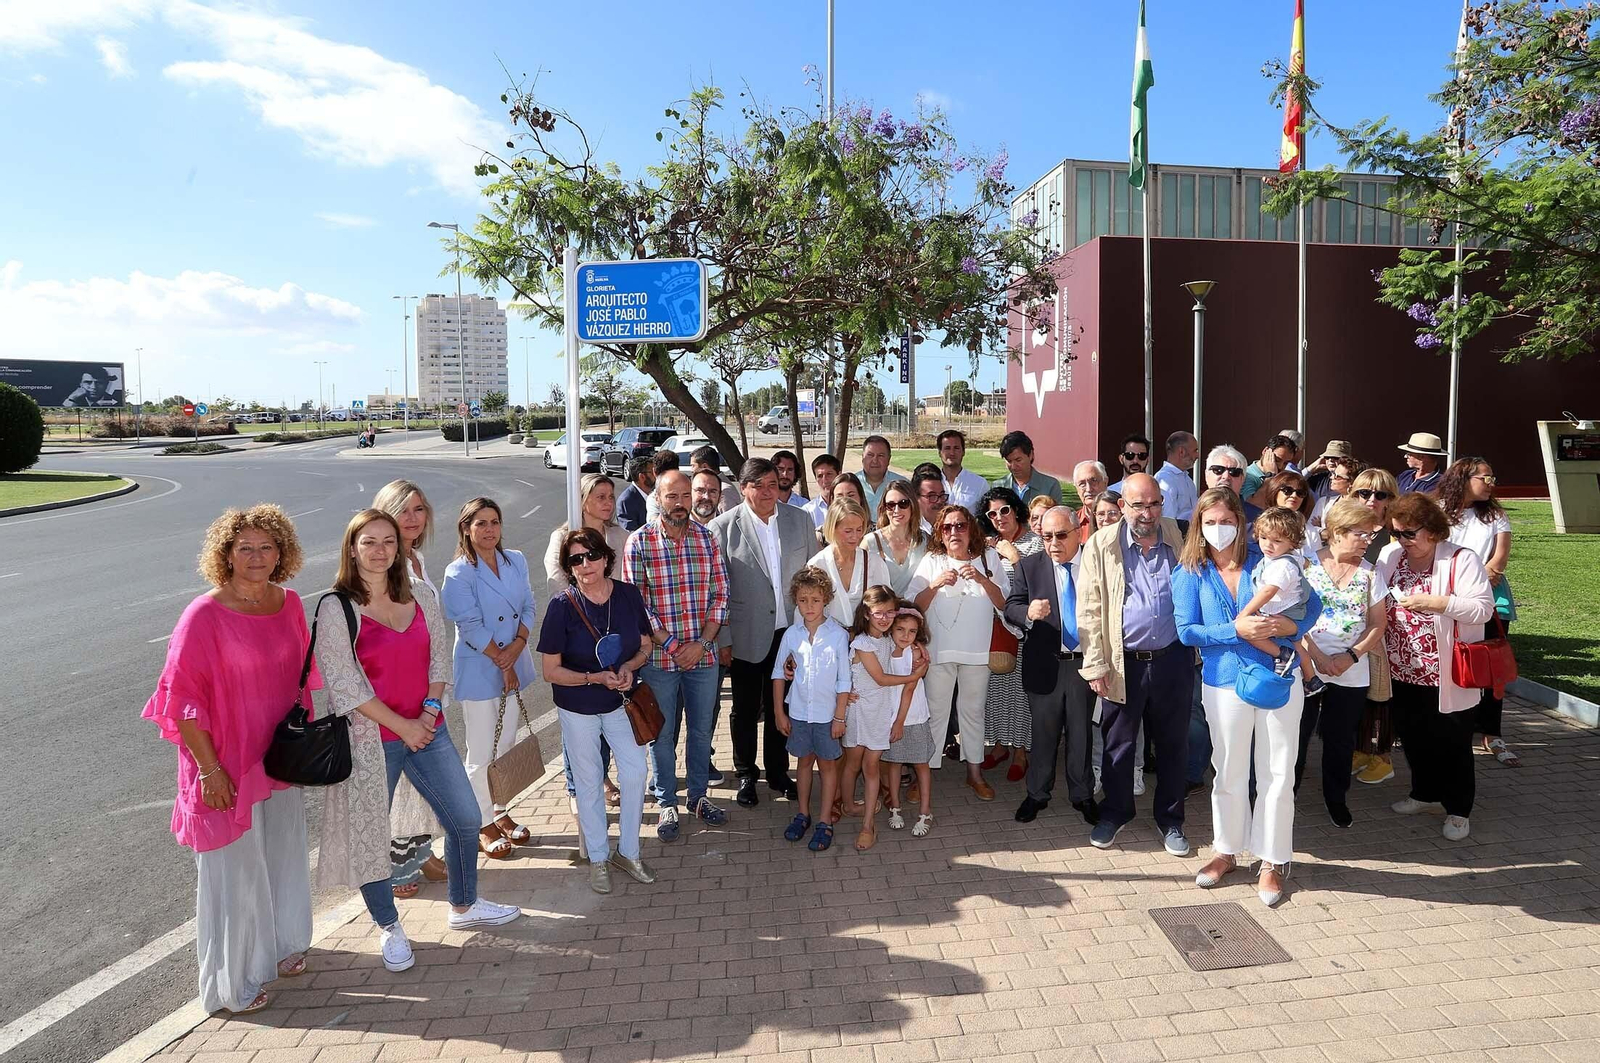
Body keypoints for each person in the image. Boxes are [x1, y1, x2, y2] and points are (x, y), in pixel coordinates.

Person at [315, 510, 522, 976]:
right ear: (352, 548)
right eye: (369, 541)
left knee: (467, 819)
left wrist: (427, 715)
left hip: (428, 730)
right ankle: (389, 928)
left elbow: (439, 664)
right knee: (371, 839)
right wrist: (403, 726)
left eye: (388, 541)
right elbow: (345, 686)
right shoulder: (336, 606)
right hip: (371, 742)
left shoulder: (421, 594)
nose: (381, 550)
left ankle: (465, 905)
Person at [143, 504, 314, 1014]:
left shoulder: (289, 603)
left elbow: (299, 679)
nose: (257, 556)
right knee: (234, 871)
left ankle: (281, 945)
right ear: (226, 555)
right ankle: (232, 981)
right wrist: (209, 770)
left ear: (281, 551)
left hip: (277, 756)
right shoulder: (203, 614)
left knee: (282, 854)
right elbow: (182, 699)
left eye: (267, 546)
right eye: (246, 548)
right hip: (224, 761)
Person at [1174, 488, 1323, 907]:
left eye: (1227, 520)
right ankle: (1226, 850)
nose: (1219, 529)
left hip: (1278, 679)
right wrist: (1234, 631)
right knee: (1228, 769)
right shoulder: (1190, 571)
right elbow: (1187, 631)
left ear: (1242, 522)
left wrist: (1285, 627)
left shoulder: (1269, 558)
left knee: (1278, 771)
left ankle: (1273, 860)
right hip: (1223, 682)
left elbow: (1313, 605)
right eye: (1210, 521)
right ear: (1198, 526)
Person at [1077, 473, 1193, 856]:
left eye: (1154, 503)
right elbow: (1090, 609)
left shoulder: (1179, 537)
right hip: (1121, 662)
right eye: (1138, 505)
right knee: (1118, 744)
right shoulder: (1101, 544)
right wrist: (1095, 665)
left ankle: (1171, 820)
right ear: (1122, 506)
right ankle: (1115, 812)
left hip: (1173, 658)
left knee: (1173, 744)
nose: (1147, 513)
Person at [538, 527, 657, 894]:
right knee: (589, 783)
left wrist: (629, 668)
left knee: (636, 773)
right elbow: (550, 671)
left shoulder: (627, 595)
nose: (585, 564)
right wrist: (593, 677)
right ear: (568, 567)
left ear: (606, 558)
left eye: (591, 555)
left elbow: (645, 644)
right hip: (578, 707)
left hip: (621, 702)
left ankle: (629, 851)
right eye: (576, 559)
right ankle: (599, 858)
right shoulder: (562, 606)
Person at [1374, 493, 1495, 841]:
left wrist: (1436, 603)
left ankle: (1459, 810)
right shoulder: (1390, 555)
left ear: (1433, 530)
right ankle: (1424, 794)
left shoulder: (1461, 559)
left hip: (1448, 672)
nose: (1402, 541)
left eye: (1409, 533)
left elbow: (1482, 610)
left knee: (1453, 742)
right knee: (1413, 736)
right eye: (1396, 533)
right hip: (1401, 668)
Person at [624, 469, 730, 840]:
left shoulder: (707, 539)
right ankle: (666, 801)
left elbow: (721, 595)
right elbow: (638, 606)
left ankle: (699, 797)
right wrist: (671, 645)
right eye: (672, 497)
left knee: (701, 732)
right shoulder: (639, 543)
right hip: (659, 662)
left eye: (686, 496)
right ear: (657, 498)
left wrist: (701, 644)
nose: (680, 503)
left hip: (704, 656)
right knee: (663, 734)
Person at [711, 458, 816, 806]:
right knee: (743, 708)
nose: (768, 491)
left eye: (773, 483)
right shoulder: (722, 528)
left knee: (781, 706)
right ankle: (745, 774)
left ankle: (777, 772)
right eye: (759, 485)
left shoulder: (800, 520)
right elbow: (718, 591)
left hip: (790, 632)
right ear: (743, 489)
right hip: (744, 636)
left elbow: (813, 578)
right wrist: (723, 639)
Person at [440, 499, 539, 860]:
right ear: (466, 528)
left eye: (494, 522)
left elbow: (529, 604)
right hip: (482, 667)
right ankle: (481, 822)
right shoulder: (458, 572)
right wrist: (503, 660)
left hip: (514, 658)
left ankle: (501, 810)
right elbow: (467, 625)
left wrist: (518, 645)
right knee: (481, 751)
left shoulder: (516, 559)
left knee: (506, 746)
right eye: (480, 523)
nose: (489, 529)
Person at [372, 480, 449, 898]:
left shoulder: (415, 558)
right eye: (403, 510)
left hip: (428, 686)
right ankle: (397, 865)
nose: (413, 518)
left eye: (419, 509)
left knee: (421, 779)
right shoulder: (384, 562)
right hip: (399, 695)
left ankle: (420, 853)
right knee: (401, 782)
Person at [1294, 498, 1389, 827]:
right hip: (1306, 663)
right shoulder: (1305, 565)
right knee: (1297, 734)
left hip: (1351, 669)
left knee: (1340, 739)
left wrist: (1350, 656)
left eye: (1370, 535)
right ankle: (1284, 797)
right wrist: (1318, 657)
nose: (1367, 541)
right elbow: (1291, 617)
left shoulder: (1370, 574)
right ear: (1336, 533)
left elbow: (1378, 623)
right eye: (1361, 534)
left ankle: (1336, 798)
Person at [1003, 504, 1098, 827]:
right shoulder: (1030, 567)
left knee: (1081, 734)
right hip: (1045, 664)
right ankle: (1037, 794)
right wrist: (1028, 613)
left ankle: (1083, 794)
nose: (1054, 543)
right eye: (1047, 537)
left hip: (1085, 664)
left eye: (1061, 535)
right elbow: (1011, 607)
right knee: (1043, 735)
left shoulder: (1095, 563)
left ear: (1078, 533)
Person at [908, 504, 1010, 799]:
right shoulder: (932, 560)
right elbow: (914, 605)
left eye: (960, 526)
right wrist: (936, 584)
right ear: (940, 532)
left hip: (978, 652)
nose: (954, 532)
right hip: (939, 652)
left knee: (973, 713)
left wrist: (981, 579)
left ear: (971, 529)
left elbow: (1004, 603)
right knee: (936, 714)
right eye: (947, 527)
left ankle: (974, 774)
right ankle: (923, 776)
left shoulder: (989, 558)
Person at [1440, 456, 1519, 767]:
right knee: (1450, 664)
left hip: (1488, 600)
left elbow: (1497, 565)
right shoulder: (1438, 511)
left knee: (1490, 668)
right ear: (1463, 478)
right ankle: (1451, 727)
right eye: (1484, 478)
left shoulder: (1495, 515)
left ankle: (1491, 733)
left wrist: (1466, 580)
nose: (1491, 484)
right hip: (1446, 600)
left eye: (1492, 478)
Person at [773, 566, 853, 852]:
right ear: (796, 600)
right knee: (803, 763)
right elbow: (778, 675)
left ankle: (824, 820)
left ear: (826, 600)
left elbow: (845, 680)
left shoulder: (838, 635)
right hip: (798, 713)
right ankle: (803, 814)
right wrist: (779, 713)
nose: (809, 606)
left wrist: (839, 716)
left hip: (827, 715)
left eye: (816, 600)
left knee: (827, 766)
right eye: (803, 600)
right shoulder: (791, 635)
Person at [842, 586, 925, 850]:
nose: (885, 618)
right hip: (858, 711)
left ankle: (868, 825)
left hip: (881, 713)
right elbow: (880, 678)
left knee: (871, 765)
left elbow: (909, 632)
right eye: (879, 612)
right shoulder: (861, 643)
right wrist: (912, 677)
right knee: (853, 763)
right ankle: (848, 805)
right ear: (867, 613)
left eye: (890, 612)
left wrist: (919, 644)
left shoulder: (890, 639)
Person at [978, 486, 1042, 783]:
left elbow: (1038, 585)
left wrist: (1014, 556)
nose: (999, 516)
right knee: (996, 691)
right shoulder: (988, 547)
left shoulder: (1035, 543)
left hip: (1025, 633)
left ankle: (1020, 752)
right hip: (995, 632)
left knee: (1019, 695)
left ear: (1016, 509)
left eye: (1004, 509)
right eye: (992, 513)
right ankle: (1001, 744)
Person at [1349, 466, 1403, 784]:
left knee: (1383, 693)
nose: (1371, 500)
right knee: (1360, 692)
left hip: (1392, 626)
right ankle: (1361, 748)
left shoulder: (1396, 532)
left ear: (1390, 500)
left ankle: (1383, 755)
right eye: (1363, 493)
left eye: (1380, 494)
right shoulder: (1347, 527)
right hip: (1357, 624)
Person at [1234, 507, 1314, 687]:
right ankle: (1311, 679)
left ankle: (1282, 654)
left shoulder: (1283, 565)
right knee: (1298, 644)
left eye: (1277, 541)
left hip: (1285, 612)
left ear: (1292, 543)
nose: (1268, 545)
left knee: (1250, 633)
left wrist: (1246, 612)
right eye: (1263, 538)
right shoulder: (1280, 559)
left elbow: (1268, 591)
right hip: (1287, 611)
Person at [806, 498, 890, 629]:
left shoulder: (875, 563)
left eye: (859, 529)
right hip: (828, 644)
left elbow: (887, 606)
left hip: (866, 644)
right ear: (832, 528)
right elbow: (806, 611)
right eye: (848, 531)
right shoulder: (817, 565)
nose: (855, 536)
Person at [543, 473, 630, 599]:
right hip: (576, 613)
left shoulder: (621, 536)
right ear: (582, 501)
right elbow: (556, 585)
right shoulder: (561, 538)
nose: (608, 503)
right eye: (601, 497)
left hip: (616, 612)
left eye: (611, 497)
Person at [863, 479, 930, 596]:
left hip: (915, 611)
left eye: (903, 503)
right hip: (883, 612)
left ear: (912, 506)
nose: (897, 510)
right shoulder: (870, 542)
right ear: (884, 508)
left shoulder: (926, 541)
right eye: (890, 505)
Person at [995, 430, 1064, 505]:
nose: (1013, 467)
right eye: (1009, 461)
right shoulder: (998, 486)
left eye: (1018, 460)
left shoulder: (1050, 486)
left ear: (1031, 455)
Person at [1263, 470, 1317, 555]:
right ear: (1274, 491)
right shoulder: (1262, 524)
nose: (1294, 495)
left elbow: (1315, 564)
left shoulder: (1310, 532)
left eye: (1300, 493)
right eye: (1287, 490)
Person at [1152, 431, 1200, 521]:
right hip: (1175, 533)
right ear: (1181, 451)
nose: (1197, 455)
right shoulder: (1165, 479)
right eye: (1195, 451)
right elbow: (1167, 519)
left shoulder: (1187, 479)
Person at [936, 429, 988, 512]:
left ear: (963, 452)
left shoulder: (980, 484)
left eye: (956, 448)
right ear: (939, 452)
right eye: (947, 448)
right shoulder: (932, 482)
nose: (952, 453)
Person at [1241, 434, 1299, 501]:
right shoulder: (1247, 476)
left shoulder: (1282, 478)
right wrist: (1270, 476)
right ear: (1265, 451)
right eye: (1277, 460)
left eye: (1285, 463)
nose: (1280, 466)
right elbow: (1252, 505)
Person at [690, 445, 742, 513]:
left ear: (704, 466)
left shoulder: (725, 490)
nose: (691, 470)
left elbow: (729, 521)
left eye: (693, 465)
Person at [1072, 461, 1110, 543]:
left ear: (1105, 482)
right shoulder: (1072, 523)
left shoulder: (1120, 519)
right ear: (1076, 489)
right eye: (1082, 484)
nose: (1089, 489)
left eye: (1094, 481)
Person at [643, 448, 684, 523]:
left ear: (654, 472)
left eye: (686, 496)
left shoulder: (653, 498)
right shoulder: (693, 491)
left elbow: (653, 525)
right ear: (678, 469)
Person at [804, 453, 843, 531]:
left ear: (839, 475)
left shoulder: (850, 506)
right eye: (820, 476)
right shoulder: (807, 511)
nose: (825, 480)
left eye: (829, 474)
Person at [858, 435, 894, 519]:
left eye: (880, 455)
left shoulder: (902, 484)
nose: (875, 460)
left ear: (889, 459)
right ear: (862, 458)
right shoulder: (851, 484)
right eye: (870, 455)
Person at [616, 457, 655, 532]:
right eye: (652, 472)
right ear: (642, 477)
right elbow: (630, 532)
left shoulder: (655, 495)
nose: (656, 475)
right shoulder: (626, 501)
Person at [912, 467, 949, 535]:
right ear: (916, 498)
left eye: (942, 494)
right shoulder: (909, 528)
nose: (939, 501)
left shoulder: (952, 526)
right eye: (932, 496)